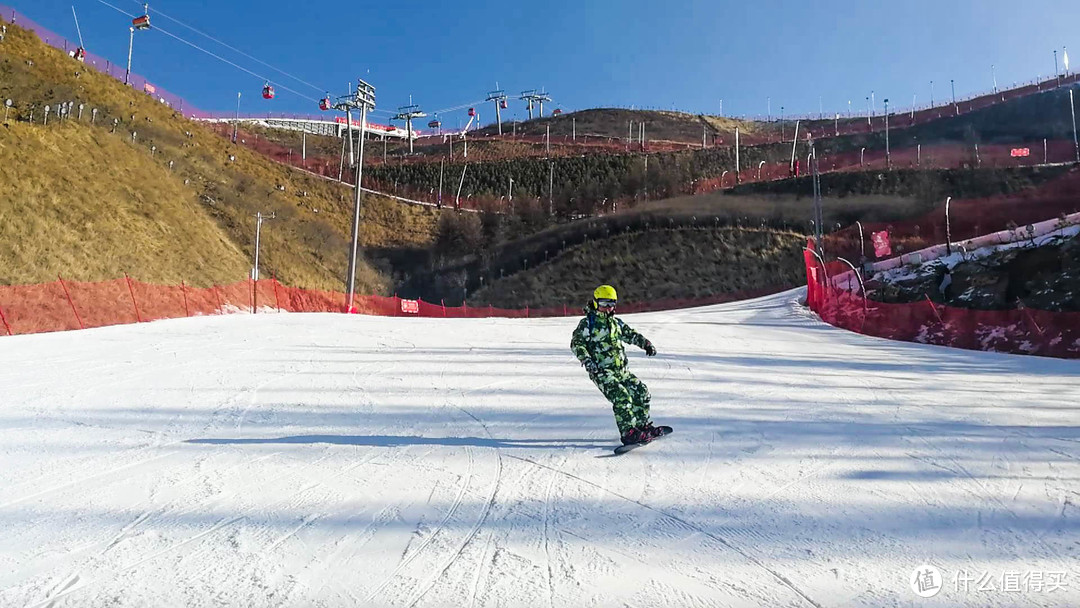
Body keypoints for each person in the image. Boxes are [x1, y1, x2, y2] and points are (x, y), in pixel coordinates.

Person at [570, 285, 669, 445]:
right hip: (602, 372)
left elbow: (631, 334)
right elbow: (577, 344)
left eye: (611, 304)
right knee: (622, 397)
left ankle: (641, 427)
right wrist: (587, 360)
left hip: (621, 371)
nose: (608, 308)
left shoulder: (616, 324)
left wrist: (646, 344)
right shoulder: (588, 324)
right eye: (604, 304)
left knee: (641, 392)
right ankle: (628, 433)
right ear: (595, 303)